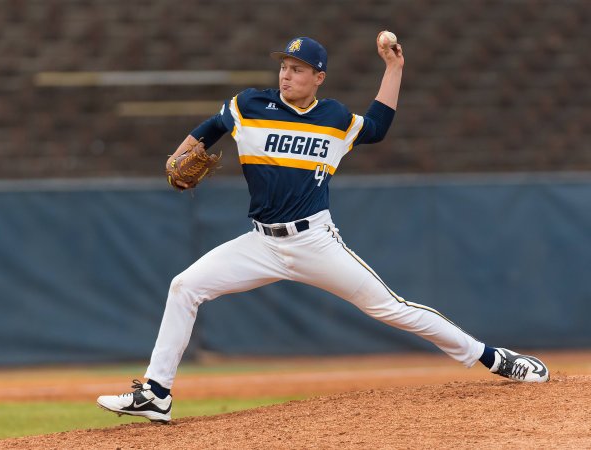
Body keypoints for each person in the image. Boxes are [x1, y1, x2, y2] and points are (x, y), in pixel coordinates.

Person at [97, 33, 549, 423]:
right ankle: (157, 393)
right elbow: (210, 128)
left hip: (315, 241)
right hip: (260, 243)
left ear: (318, 77)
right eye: (284, 67)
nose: (286, 75)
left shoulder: (334, 118)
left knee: (393, 309)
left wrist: (394, 67)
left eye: (298, 69)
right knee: (184, 286)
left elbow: (378, 126)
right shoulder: (249, 105)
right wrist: (181, 156)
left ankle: (495, 358)